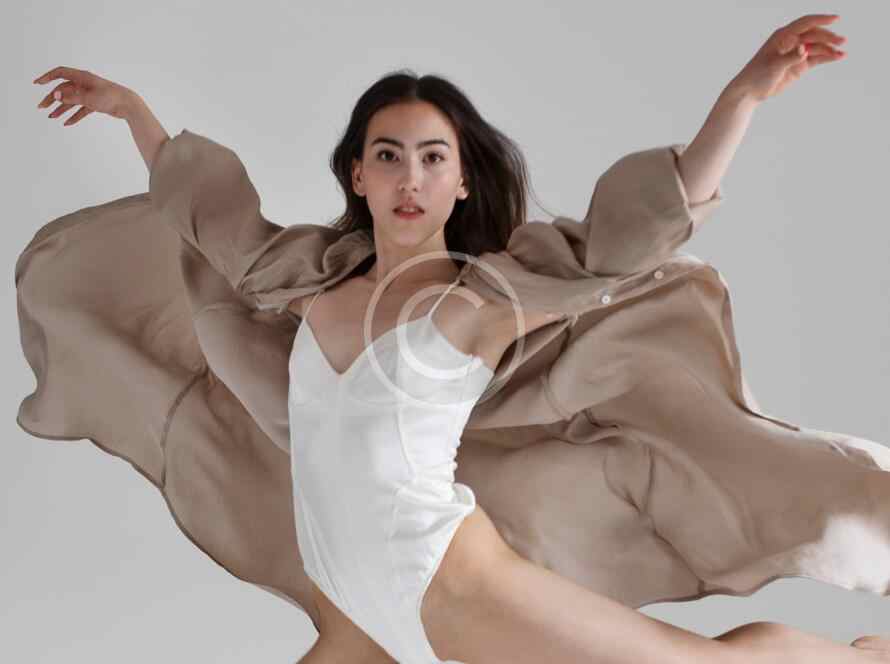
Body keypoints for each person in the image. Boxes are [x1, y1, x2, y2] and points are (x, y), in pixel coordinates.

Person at [27, 12, 890, 664]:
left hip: (453, 584)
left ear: (462, 181)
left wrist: (741, 97)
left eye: (434, 157)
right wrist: (132, 112)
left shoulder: (482, 301)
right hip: (353, 603)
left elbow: (623, 242)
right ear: (358, 174)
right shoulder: (305, 283)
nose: (411, 177)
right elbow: (214, 217)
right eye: (390, 155)